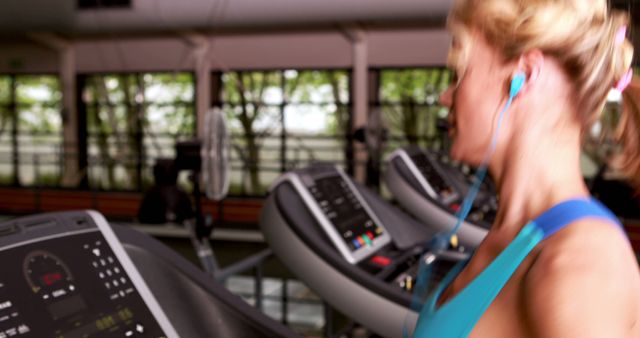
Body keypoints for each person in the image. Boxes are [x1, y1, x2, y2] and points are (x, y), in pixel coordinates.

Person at [412, 0, 640, 337]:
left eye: (459, 74)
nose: (446, 97)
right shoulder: (515, 234)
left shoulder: (579, 263)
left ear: (524, 76)